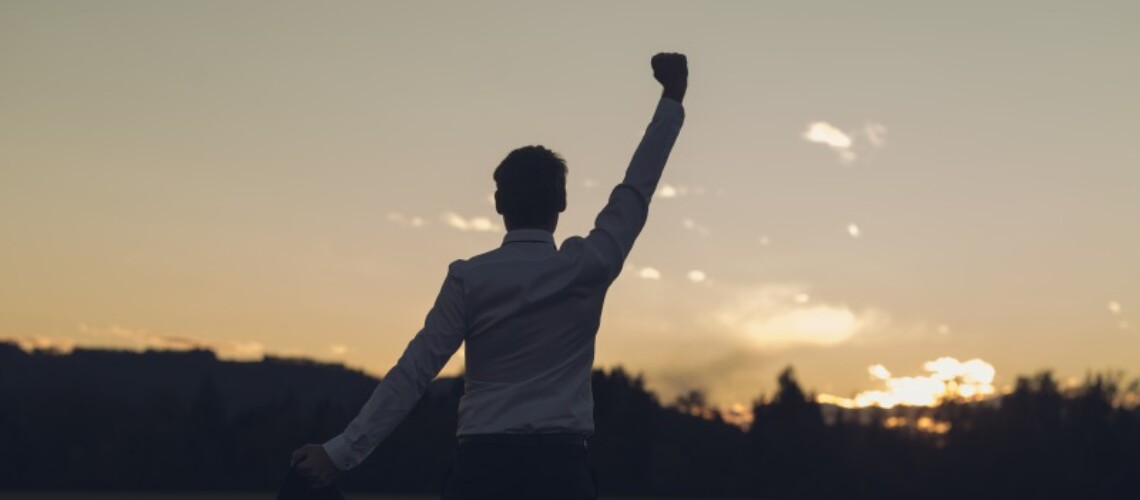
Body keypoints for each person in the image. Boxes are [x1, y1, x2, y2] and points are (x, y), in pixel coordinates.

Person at [291, 52, 688, 499]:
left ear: (499, 203)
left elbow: (415, 372)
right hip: (562, 475)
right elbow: (637, 188)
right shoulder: (588, 265)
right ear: (561, 202)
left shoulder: (469, 279)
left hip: (481, 473)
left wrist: (340, 453)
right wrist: (671, 97)